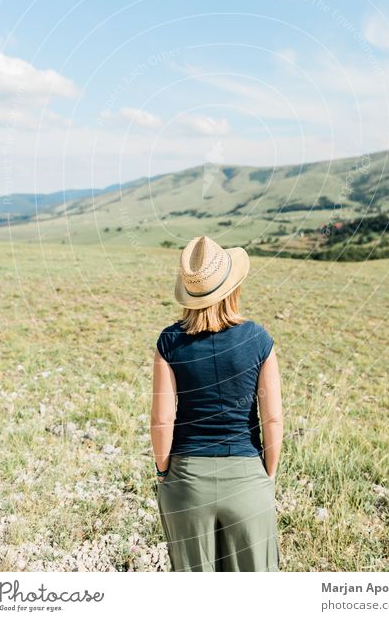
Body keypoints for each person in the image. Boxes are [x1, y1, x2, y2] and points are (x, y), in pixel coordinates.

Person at [150, 234, 283, 572]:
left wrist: (165, 473)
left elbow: (163, 420)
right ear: (232, 287)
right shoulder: (259, 339)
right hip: (247, 480)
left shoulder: (169, 341)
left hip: (187, 482)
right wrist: (266, 475)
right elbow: (273, 420)